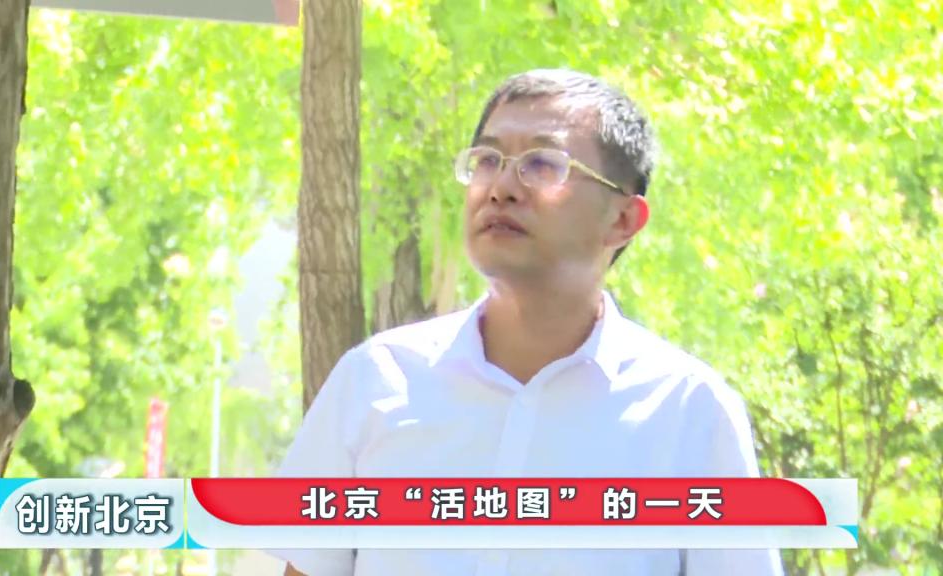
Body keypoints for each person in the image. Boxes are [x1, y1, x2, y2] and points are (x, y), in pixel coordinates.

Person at [272, 68, 783, 576]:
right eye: (487, 160)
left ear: (623, 219)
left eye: (542, 164)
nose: (501, 187)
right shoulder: (375, 381)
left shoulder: (690, 412)